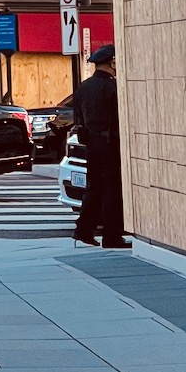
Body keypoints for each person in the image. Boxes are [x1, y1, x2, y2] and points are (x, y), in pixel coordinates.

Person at [73, 44, 130, 249]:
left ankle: (83, 229)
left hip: (92, 145)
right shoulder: (112, 88)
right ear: (112, 63)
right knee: (112, 191)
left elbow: (78, 117)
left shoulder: (84, 87)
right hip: (109, 143)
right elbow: (119, 117)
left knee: (94, 187)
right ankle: (111, 236)